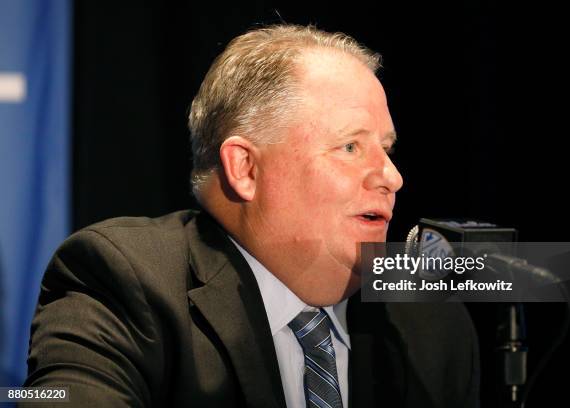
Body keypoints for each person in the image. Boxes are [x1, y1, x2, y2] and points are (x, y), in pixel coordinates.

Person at [23, 24, 479, 407]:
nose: (391, 177)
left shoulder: (425, 317)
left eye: (387, 149)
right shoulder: (125, 280)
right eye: (350, 147)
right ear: (245, 168)